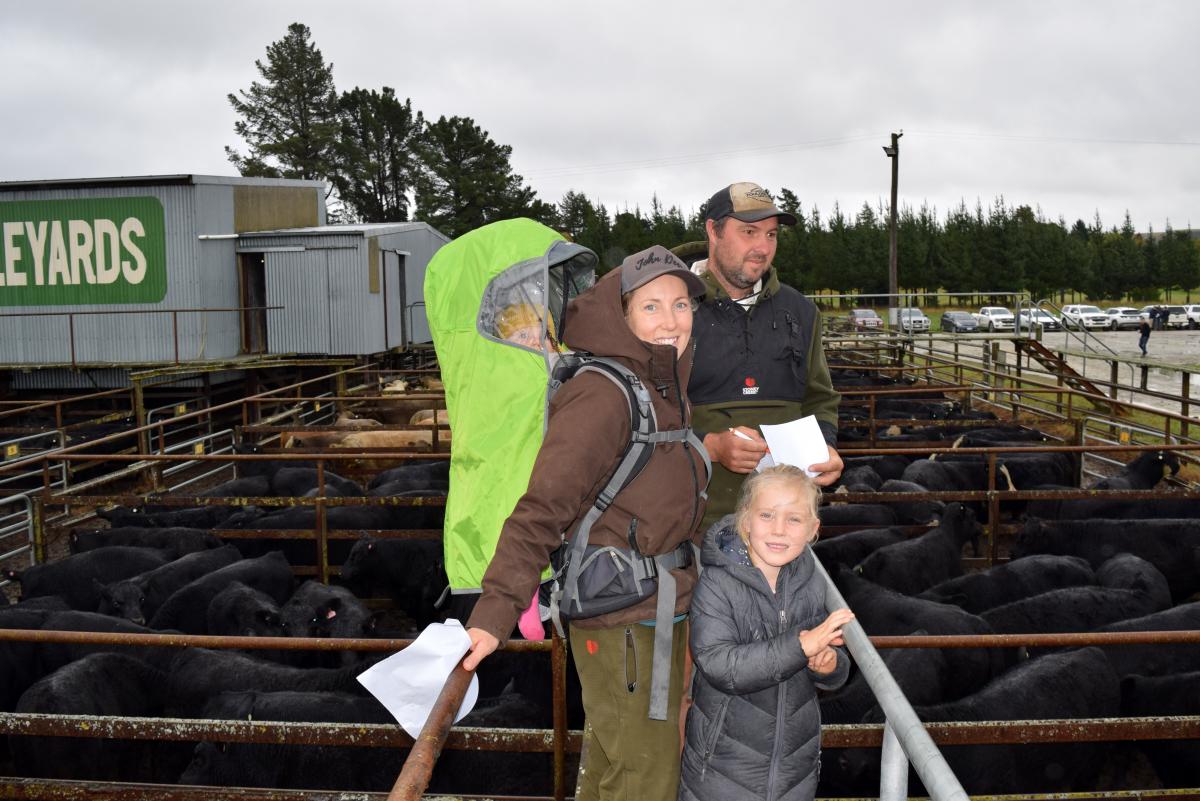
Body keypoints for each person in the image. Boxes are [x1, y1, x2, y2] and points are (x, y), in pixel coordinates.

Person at [463, 245, 711, 801]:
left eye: (680, 305)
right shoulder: (605, 392)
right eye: (651, 307)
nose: (671, 321)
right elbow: (543, 505)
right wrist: (497, 608)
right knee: (647, 778)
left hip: (656, 607)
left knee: (612, 765)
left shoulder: (664, 384)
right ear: (621, 315)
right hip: (622, 616)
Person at [679, 464, 853, 801]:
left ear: (813, 529)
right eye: (767, 515)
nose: (779, 530)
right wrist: (801, 647)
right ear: (745, 521)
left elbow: (832, 660)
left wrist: (830, 665)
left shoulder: (813, 584)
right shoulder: (717, 584)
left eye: (794, 519)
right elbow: (718, 663)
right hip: (722, 771)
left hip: (794, 770)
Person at [687, 181, 843, 530]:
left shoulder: (799, 312)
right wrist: (706, 445)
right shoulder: (672, 309)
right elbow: (646, 410)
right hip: (694, 523)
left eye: (771, 235)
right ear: (713, 230)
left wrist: (826, 449)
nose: (762, 247)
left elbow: (820, 398)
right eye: (749, 232)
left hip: (782, 525)